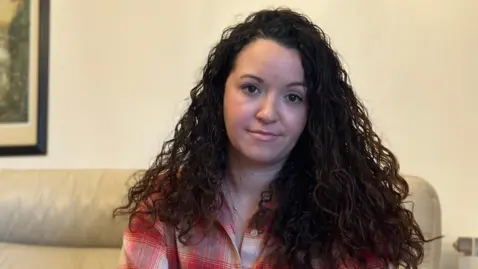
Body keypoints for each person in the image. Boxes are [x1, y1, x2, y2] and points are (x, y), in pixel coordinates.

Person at [114, 7, 430, 269]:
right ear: (219, 93)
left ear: (314, 112)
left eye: (293, 97)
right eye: (251, 88)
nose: (268, 112)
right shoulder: (165, 206)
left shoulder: (349, 219)